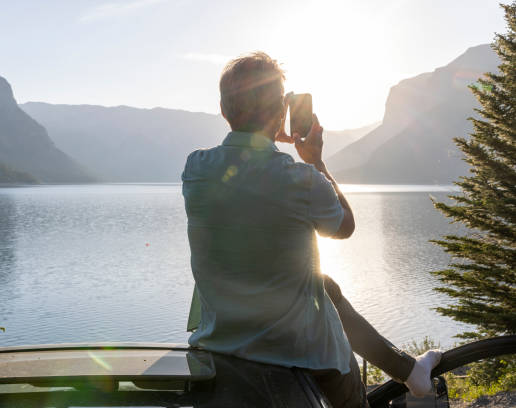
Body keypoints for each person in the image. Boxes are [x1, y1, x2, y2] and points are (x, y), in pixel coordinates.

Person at [181, 52, 441, 408]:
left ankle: (410, 372)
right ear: (280, 112)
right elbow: (344, 226)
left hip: (220, 342)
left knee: (325, 286)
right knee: (329, 321)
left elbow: (245, 201)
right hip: (298, 352)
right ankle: (410, 374)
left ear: (224, 110)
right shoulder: (300, 179)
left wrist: (268, 132)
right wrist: (316, 160)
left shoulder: (196, 169)